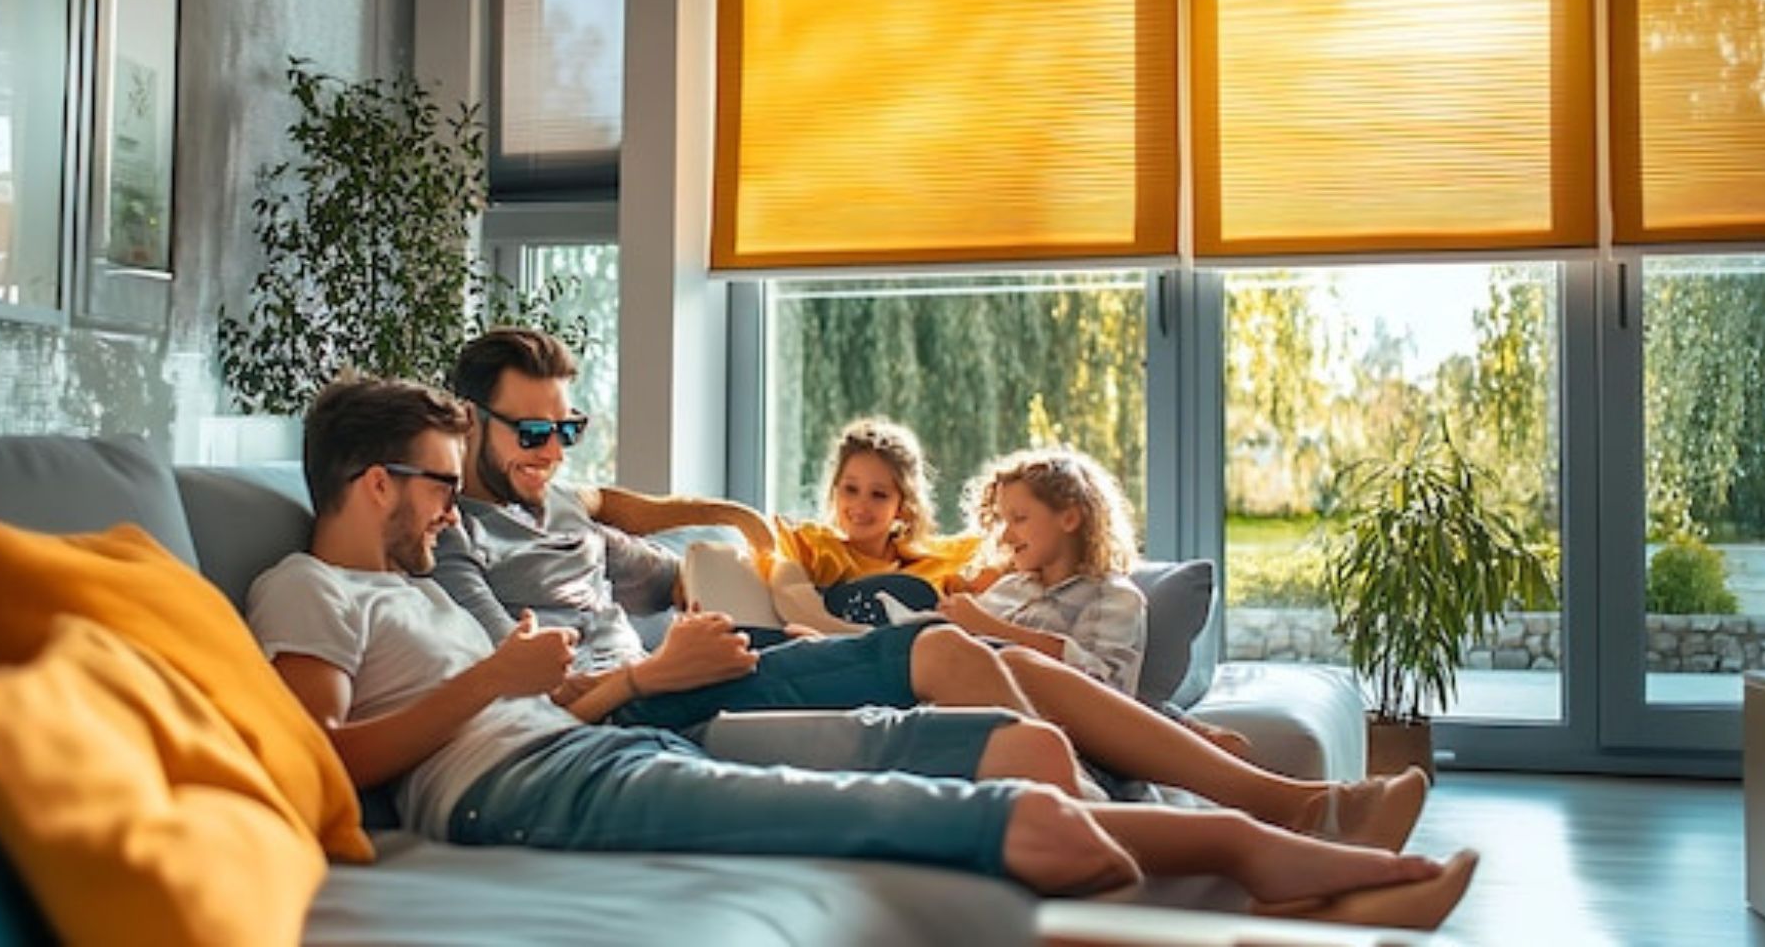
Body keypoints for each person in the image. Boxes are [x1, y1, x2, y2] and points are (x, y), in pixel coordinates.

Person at [245, 375, 1478, 927]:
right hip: (542, 767)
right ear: (373, 480)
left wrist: (637, 651)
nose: (453, 507)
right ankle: (1260, 849)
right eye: (440, 484)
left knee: (988, 708)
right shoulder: (307, 586)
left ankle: (1287, 821)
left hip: (587, 720)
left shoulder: (491, 553)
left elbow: (601, 633)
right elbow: (325, 762)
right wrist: (517, 681)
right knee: (1005, 807)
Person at [434, 328, 1430, 853]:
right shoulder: (450, 540)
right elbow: (518, 696)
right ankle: (1151, 817)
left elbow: (673, 575)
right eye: (531, 432)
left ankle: (1299, 805)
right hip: (630, 713)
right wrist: (656, 675)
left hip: (698, 665)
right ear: (469, 425)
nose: (552, 453)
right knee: (969, 666)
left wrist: (736, 539)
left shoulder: (567, 514)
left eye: (568, 431)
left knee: (960, 650)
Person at [944, 447, 1149, 700]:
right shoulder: (1008, 589)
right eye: (1002, 522)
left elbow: (1106, 692)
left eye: (1019, 519)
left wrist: (991, 628)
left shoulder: (1113, 598)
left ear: (1069, 519)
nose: (1006, 537)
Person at [769, 417, 983, 624]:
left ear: (902, 506)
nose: (860, 506)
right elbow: (788, 594)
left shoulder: (939, 560)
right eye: (850, 489)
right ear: (835, 491)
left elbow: (1001, 548)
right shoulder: (813, 545)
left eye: (878, 495)